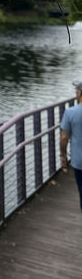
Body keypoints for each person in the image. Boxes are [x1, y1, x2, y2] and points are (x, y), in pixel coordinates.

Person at [60, 80, 82, 209]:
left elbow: (64, 138)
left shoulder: (70, 112)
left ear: (80, 93)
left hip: (79, 161)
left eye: (76, 90)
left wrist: (63, 156)